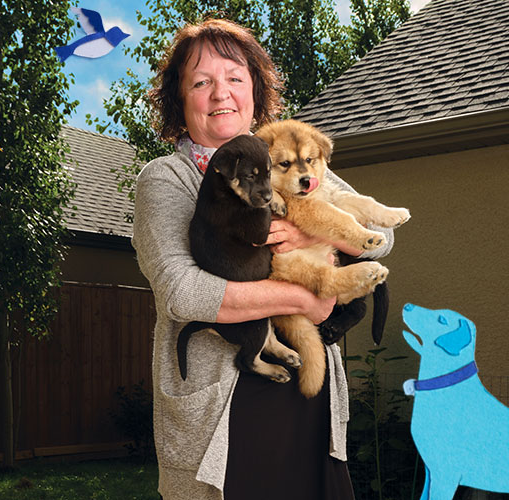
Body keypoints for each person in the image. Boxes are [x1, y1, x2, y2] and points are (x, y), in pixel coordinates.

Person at [131, 18, 394, 500]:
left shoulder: (285, 155)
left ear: (254, 88)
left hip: (306, 393)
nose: (220, 94)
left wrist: (302, 229)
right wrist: (305, 297)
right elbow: (181, 292)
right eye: (201, 82)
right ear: (180, 99)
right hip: (225, 412)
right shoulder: (167, 179)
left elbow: (380, 237)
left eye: (234, 77)